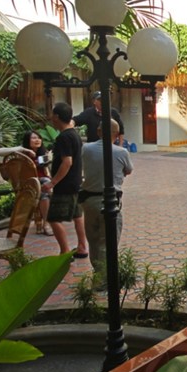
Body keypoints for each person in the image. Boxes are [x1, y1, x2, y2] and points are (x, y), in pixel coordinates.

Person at [79, 119, 133, 287]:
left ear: (98, 131)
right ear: (116, 135)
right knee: (108, 242)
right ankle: (102, 280)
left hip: (89, 201)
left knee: (94, 240)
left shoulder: (86, 149)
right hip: (110, 202)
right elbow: (128, 170)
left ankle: (99, 274)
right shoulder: (121, 152)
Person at [42, 102, 88, 257]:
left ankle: (64, 251)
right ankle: (82, 246)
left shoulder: (64, 137)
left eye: (52, 115)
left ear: (56, 117)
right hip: (75, 182)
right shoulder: (74, 134)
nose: (51, 118)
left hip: (65, 184)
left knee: (53, 218)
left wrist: (52, 182)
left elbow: (67, 162)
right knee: (77, 216)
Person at [0, 130, 53, 235]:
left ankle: (45, 223)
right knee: (47, 188)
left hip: (42, 183)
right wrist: (23, 149)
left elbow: (45, 171)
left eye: (39, 138)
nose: (37, 140)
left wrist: (48, 160)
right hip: (28, 184)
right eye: (34, 138)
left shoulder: (43, 153)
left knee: (45, 190)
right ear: (27, 140)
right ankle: (46, 224)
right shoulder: (22, 152)